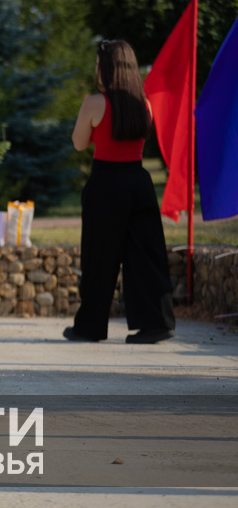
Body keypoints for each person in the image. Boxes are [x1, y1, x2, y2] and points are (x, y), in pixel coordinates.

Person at [64, 40, 175, 344]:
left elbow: (78, 143)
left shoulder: (94, 103)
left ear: (107, 68)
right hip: (139, 182)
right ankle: (156, 325)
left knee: (99, 257)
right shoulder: (144, 104)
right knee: (145, 256)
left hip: (106, 183)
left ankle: (90, 327)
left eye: (98, 64)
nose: (95, 69)